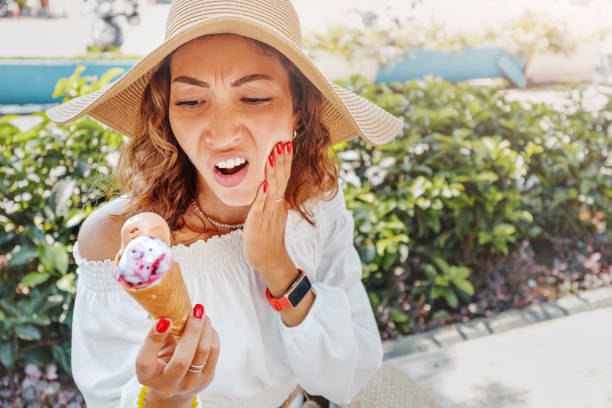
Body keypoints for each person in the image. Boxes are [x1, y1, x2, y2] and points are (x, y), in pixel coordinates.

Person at [46, 0, 404, 407]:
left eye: (252, 97)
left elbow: (348, 375)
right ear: (166, 114)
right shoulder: (116, 242)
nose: (220, 134)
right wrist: (166, 395)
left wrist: (280, 269)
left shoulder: (316, 198)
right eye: (190, 101)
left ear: (299, 110)